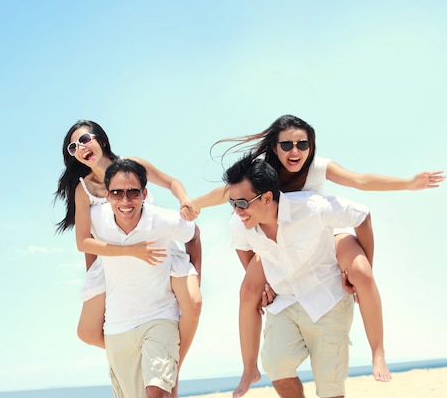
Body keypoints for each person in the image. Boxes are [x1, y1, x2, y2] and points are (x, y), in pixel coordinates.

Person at [188, 114, 445, 395]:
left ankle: (378, 351)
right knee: (248, 290)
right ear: (274, 147)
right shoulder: (257, 178)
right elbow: (225, 196)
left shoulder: (317, 170)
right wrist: (192, 205)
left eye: (303, 144)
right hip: (272, 240)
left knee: (360, 272)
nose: (295, 151)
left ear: (311, 146)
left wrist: (408, 183)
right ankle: (249, 368)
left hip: (325, 235)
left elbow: (359, 180)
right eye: (286, 145)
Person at [54, 120, 202, 396]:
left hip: (153, 244)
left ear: (100, 139)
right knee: (87, 332)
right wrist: (96, 279)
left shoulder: (131, 165)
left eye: (85, 139)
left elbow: (171, 182)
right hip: (114, 258)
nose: (80, 148)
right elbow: (85, 242)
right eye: (73, 147)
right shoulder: (83, 189)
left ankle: (170, 363)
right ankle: (146, 353)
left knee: (193, 301)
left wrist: (184, 200)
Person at [226, 154, 373, 398]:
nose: (236, 211)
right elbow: (245, 252)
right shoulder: (239, 225)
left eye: (241, 203)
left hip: (328, 299)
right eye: (231, 204)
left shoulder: (312, 207)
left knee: (330, 390)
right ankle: (249, 370)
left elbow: (362, 215)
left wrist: (364, 270)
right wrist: (265, 285)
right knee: (277, 368)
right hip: (284, 301)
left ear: (267, 198)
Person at [91, 158, 201, 398]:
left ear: (144, 193)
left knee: (156, 392)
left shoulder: (164, 220)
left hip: (160, 317)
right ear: (107, 195)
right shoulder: (96, 218)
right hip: (117, 327)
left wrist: (193, 276)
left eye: (133, 193)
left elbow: (194, 235)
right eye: (117, 193)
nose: (125, 201)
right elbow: (87, 246)